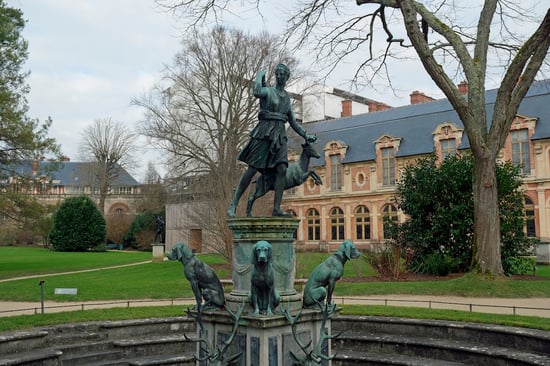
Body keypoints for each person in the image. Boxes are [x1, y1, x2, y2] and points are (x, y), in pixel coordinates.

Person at [227, 64, 316, 218]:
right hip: (265, 132)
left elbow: (293, 122)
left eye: (283, 74)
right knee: (252, 169)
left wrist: (305, 135)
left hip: (279, 134)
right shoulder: (268, 91)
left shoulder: (287, 98)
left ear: (287, 77)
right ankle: (233, 204)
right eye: (278, 74)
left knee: (282, 169)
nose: (280, 76)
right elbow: (257, 91)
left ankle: (276, 209)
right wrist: (260, 74)